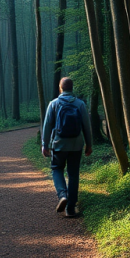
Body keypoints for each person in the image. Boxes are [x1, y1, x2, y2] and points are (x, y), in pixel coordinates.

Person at [41, 77, 92, 217]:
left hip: (59, 144)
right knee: (73, 174)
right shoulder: (80, 104)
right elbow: (86, 126)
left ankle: (62, 195)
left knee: (57, 169)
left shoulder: (53, 104)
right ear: (72, 88)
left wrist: (45, 144)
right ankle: (71, 208)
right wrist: (89, 144)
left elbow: (47, 126)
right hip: (76, 145)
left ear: (60, 88)